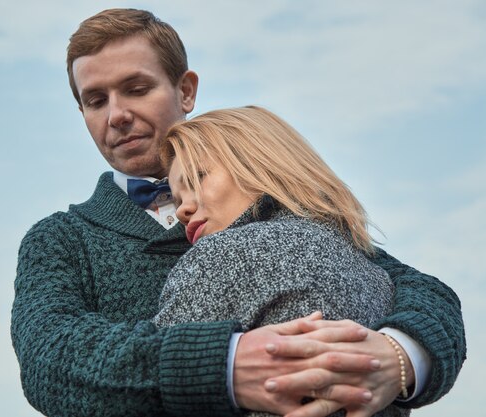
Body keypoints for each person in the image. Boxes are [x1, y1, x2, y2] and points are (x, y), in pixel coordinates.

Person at [10, 8, 466, 417]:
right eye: (96, 100)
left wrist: (398, 356)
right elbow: (48, 355)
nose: (117, 115)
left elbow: (420, 291)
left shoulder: (283, 211)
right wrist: (222, 364)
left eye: (136, 88)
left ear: (185, 91)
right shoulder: (61, 238)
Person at [153, 105, 411, 417]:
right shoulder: (375, 273)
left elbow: (152, 394)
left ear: (261, 163)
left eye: (198, 178)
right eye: (178, 199)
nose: (181, 210)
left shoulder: (222, 253)